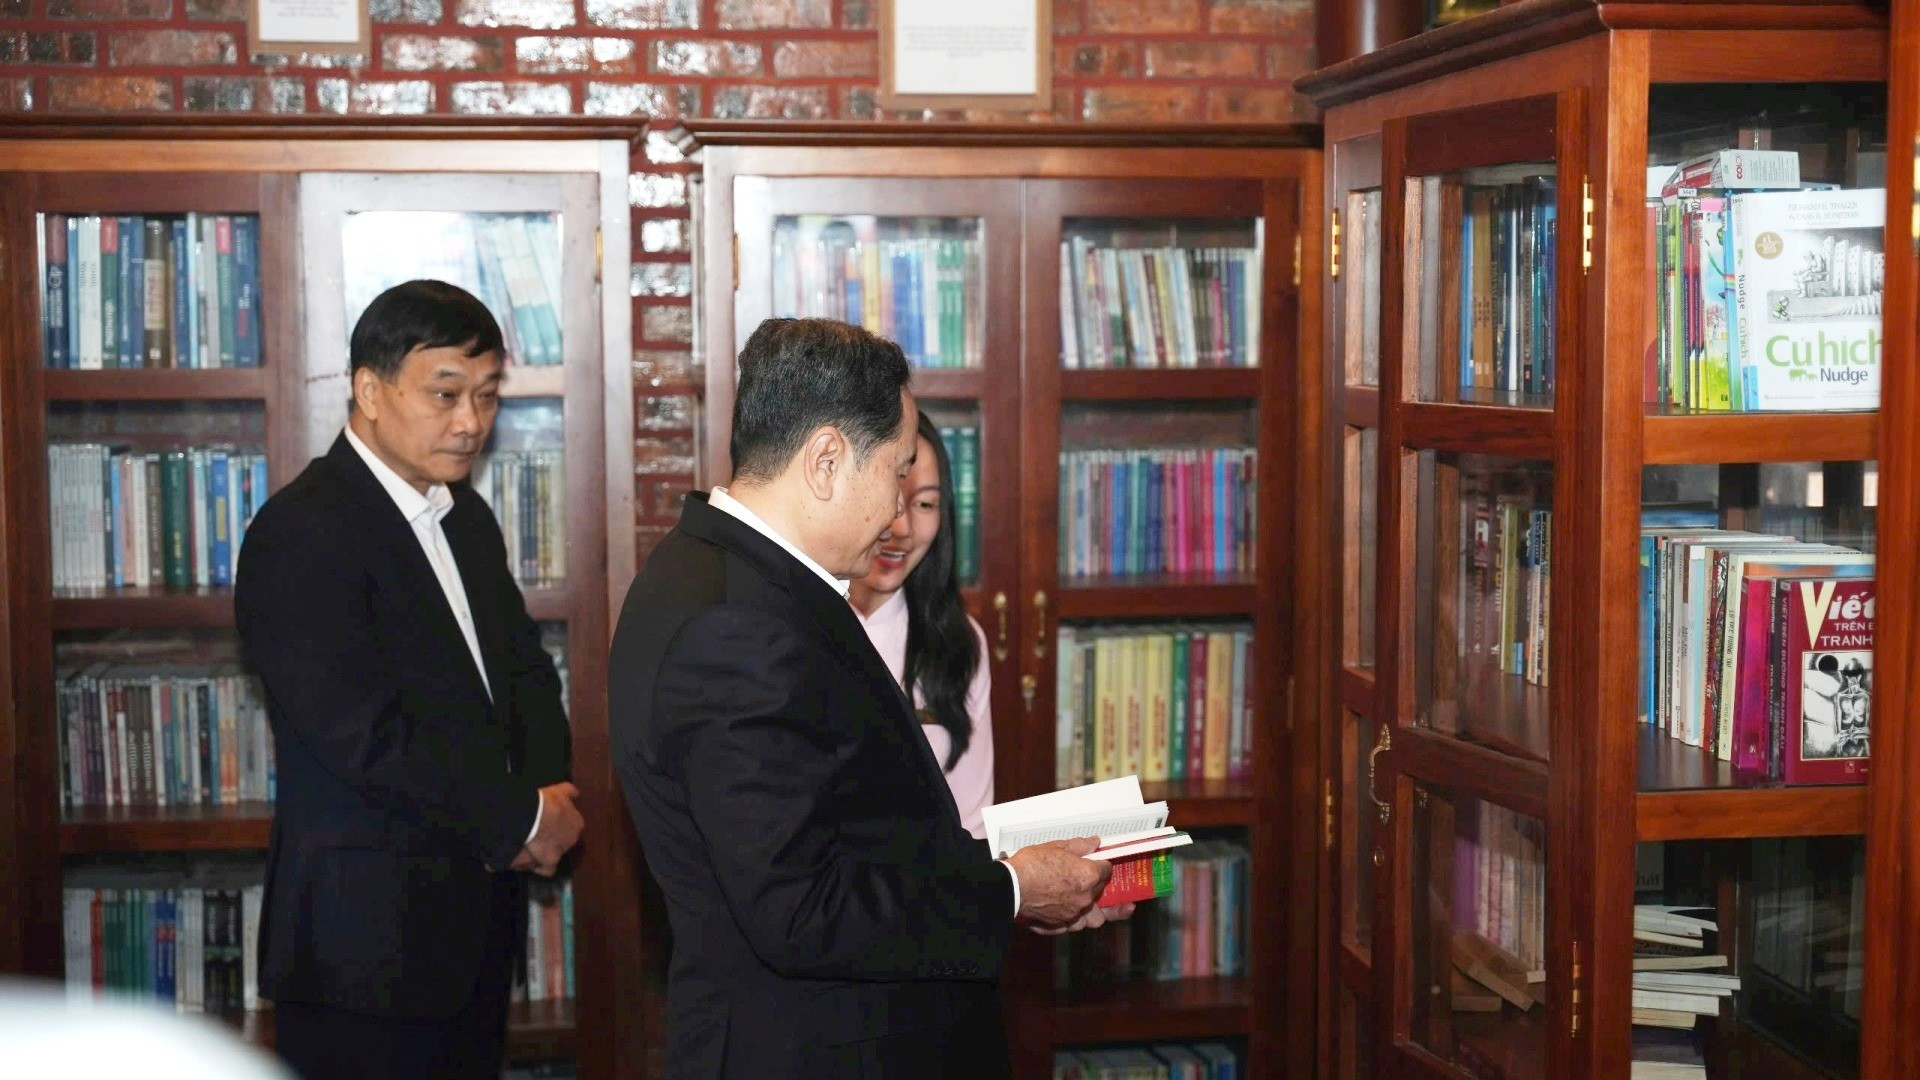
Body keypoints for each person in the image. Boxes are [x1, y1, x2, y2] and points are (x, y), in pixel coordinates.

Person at [609, 317, 1127, 1079]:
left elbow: (859, 836)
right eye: (893, 471)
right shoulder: (736, 626)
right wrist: (1015, 888)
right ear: (826, 460)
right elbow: (803, 908)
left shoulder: (731, 577)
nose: (895, 512)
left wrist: (1015, 880)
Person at [234, 279, 583, 1080]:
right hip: (363, 950)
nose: (471, 422)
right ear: (369, 389)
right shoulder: (301, 532)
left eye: (488, 397)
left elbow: (526, 673)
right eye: (446, 393)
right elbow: (366, 738)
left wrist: (548, 789)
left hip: (472, 927)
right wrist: (523, 820)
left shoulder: (465, 515)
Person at [850, 412, 993, 838]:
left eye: (925, 504)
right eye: (889, 498)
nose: (903, 529)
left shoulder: (959, 642)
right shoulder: (797, 624)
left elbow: (974, 822)